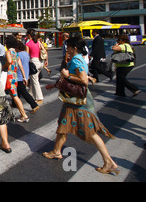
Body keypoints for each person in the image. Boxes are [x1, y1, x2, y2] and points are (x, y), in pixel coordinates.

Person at [43, 36, 119, 175]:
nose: (67, 49)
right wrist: (54, 85)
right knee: (63, 125)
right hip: (73, 100)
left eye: (68, 47)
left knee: (90, 132)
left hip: (78, 102)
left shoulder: (77, 59)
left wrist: (67, 76)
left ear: (74, 48)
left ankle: (109, 161)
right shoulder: (79, 59)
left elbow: (83, 80)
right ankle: (56, 151)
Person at [4, 35, 30, 122]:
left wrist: (3, 66)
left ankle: (23, 115)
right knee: (13, 95)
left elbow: (9, 61)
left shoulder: (8, 52)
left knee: (14, 96)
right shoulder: (16, 53)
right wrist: (24, 77)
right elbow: (21, 66)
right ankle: (19, 114)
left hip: (9, 76)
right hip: (15, 76)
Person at [15, 41, 40, 113]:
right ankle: (15, 103)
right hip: (26, 74)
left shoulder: (18, 55)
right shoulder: (26, 53)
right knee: (18, 90)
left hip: (19, 75)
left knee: (23, 91)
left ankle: (34, 105)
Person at [26, 29, 45, 104]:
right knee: (33, 79)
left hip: (33, 61)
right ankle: (30, 94)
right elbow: (44, 51)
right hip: (40, 61)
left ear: (29, 35)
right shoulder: (38, 42)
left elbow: (27, 55)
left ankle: (39, 97)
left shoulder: (28, 44)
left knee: (35, 80)